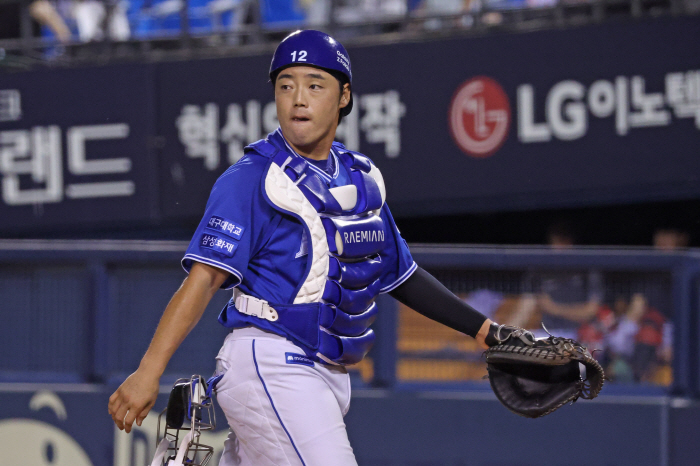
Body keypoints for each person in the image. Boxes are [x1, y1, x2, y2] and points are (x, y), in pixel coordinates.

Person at [108, 29, 510, 465]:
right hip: (271, 361)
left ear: (343, 96)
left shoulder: (358, 179)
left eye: (314, 85)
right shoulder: (252, 177)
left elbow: (404, 277)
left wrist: (491, 333)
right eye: (286, 85)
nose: (298, 98)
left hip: (327, 376)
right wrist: (148, 372)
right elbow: (203, 281)